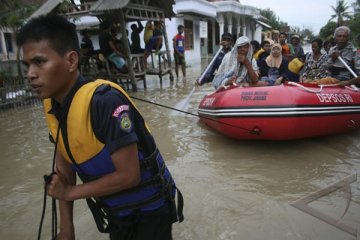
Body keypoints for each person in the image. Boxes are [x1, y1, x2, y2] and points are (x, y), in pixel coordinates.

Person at [16, 14, 183, 240]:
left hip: (151, 209)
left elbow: (129, 175)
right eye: (27, 65)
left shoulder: (105, 102)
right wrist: (67, 229)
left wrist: (70, 192)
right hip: (116, 211)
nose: (31, 74)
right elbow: (64, 169)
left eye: (39, 62)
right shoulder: (53, 107)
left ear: (71, 61)